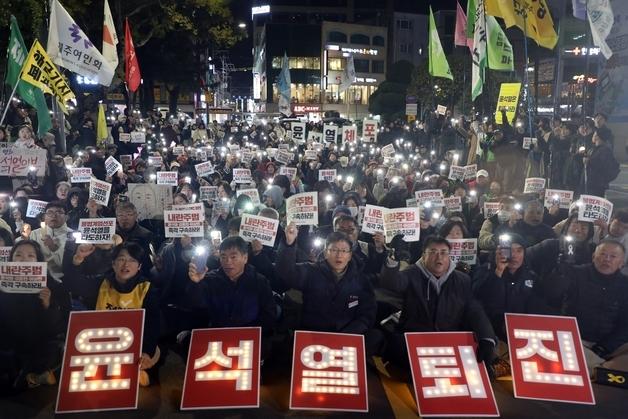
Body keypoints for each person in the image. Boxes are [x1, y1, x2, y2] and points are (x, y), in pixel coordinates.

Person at [380, 235, 497, 367]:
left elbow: (474, 309)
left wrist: (486, 337)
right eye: (433, 252)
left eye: (443, 252)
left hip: (448, 341)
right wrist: (393, 258)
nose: (439, 257)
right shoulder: (411, 274)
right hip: (415, 340)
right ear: (423, 255)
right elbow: (390, 282)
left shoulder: (462, 280)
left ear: (449, 257)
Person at [64, 242, 160, 386]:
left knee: (155, 354)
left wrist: (147, 351)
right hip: (103, 342)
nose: (126, 264)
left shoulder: (147, 288)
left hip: (133, 344)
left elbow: (154, 324)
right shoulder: (102, 282)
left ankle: (138, 370)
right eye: (121, 259)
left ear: (139, 266)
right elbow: (74, 284)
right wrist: (77, 260)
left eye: (132, 260)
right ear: (113, 263)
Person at [277, 226, 381, 355]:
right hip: (313, 335)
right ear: (326, 252)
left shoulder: (361, 280)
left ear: (350, 255)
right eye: (334, 250)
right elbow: (286, 273)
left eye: (344, 251)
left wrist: (348, 334)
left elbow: (367, 314)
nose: (339, 255)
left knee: (375, 337)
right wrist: (289, 244)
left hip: (346, 337)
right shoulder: (311, 271)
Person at [547, 240, 628, 375]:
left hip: (611, 343)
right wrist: (560, 271)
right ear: (593, 257)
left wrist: (605, 347)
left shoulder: (625, 284)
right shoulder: (575, 273)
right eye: (603, 254)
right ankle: (602, 370)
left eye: (613, 256)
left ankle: (599, 368)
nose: (606, 259)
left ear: (622, 262)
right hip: (576, 339)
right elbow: (551, 294)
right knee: (575, 355)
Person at [186, 236, 276, 355]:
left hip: (250, 342)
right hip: (218, 341)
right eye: (223, 256)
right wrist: (195, 283)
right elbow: (197, 304)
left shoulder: (259, 281)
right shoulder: (210, 279)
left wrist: (246, 334)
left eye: (233, 257)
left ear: (245, 258)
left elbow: (269, 314)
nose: (228, 261)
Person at [0, 240, 70, 389]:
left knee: (50, 351)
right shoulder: (2, 285)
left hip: (40, 342)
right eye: (18, 255)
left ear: (38, 260)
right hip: (9, 341)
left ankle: (31, 375)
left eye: (30, 255)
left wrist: (48, 305)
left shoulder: (54, 287)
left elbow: (59, 327)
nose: (24, 259)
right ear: (11, 258)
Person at [473, 233, 546, 341]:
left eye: (519, 251)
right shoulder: (485, 271)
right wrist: (498, 271)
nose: (514, 255)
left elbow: (538, 306)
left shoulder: (530, 276)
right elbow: (480, 297)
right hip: (491, 332)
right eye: (510, 250)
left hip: (521, 332)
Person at [29, 201, 73, 282]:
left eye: (59, 212)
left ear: (67, 217)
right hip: (37, 278)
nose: (54, 215)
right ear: (44, 217)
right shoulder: (34, 233)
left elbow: (71, 265)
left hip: (65, 280)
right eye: (50, 212)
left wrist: (54, 248)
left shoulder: (73, 235)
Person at [115, 201, 154, 273]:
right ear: (116, 217)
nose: (125, 218)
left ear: (136, 216)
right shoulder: (111, 234)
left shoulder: (146, 235)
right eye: (121, 215)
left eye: (129, 214)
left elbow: (148, 263)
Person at [582, 128, 620, 198]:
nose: (593, 136)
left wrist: (589, 161)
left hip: (597, 185)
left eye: (594, 134)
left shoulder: (604, 150)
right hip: (594, 184)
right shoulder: (596, 148)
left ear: (598, 136)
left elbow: (602, 167)